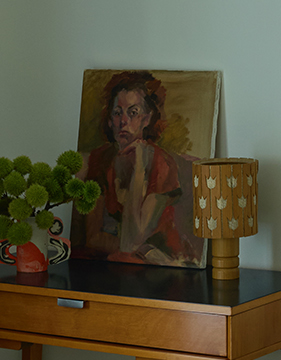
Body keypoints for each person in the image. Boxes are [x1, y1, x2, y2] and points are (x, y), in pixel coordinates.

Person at [72, 71, 199, 265]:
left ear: (146, 119)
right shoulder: (101, 159)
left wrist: (140, 167)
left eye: (133, 113)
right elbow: (94, 238)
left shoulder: (161, 165)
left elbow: (132, 239)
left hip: (166, 266)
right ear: (109, 120)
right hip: (134, 259)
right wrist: (140, 249)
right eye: (117, 113)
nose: (123, 121)